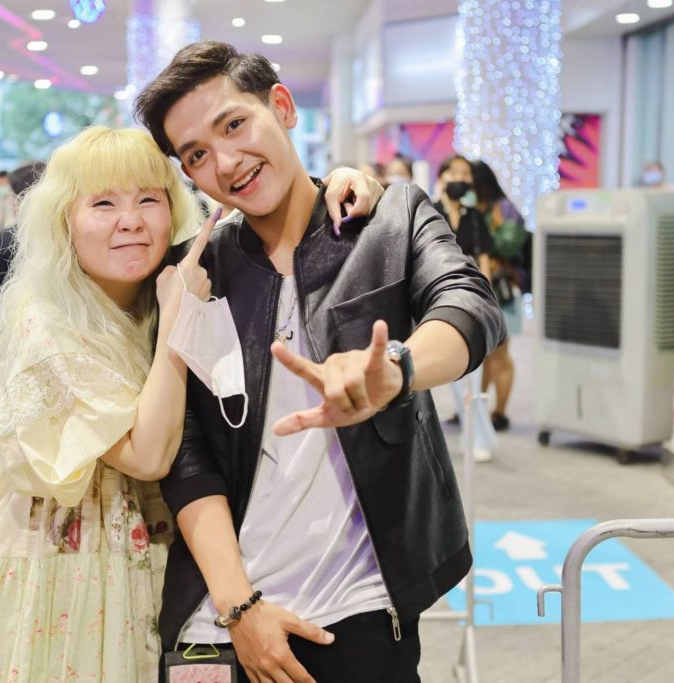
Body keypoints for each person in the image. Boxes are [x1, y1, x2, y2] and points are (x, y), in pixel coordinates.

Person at [0, 126, 381, 681]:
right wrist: (178, 321)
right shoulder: (48, 321)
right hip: (62, 563)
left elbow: (272, 216)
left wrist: (341, 183)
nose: (131, 221)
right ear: (64, 219)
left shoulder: (162, 284)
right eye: (103, 204)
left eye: (148, 199)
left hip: (152, 553)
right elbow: (148, 455)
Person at [135, 41, 505, 683]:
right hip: (221, 622)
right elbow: (189, 456)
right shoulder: (195, 272)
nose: (226, 162)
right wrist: (239, 608)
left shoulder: (388, 220)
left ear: (281, 106)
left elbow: (468, 304)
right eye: (196, 155)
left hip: (360, 612)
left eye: (234, 124)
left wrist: (398, 369)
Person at [433, 155, 497, 462]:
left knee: (471, 370)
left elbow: (483, 257)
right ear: (442, 176)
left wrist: (485, 294)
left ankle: (479, 437)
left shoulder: (474, 216)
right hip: (437, 298)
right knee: (455, 373)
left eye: (465, 173)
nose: (460, 178)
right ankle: (477, 436)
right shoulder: (429, 211)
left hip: (471, 296)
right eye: (454, 172)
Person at [471, 160, 526, 432]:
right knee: (479, 355)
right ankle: (475, 409)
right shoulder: (469, 210)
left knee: (500, 354)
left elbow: (509, 244)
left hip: (502, 290)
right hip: (475, 290)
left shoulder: (505, 209)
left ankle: (500, 412)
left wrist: (479, 234)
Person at [0, 161, 46, 317]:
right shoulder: (70, 234)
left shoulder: (8, 238)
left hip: (16, 321)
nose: (10, 201)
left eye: (12, 195)